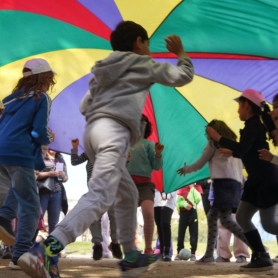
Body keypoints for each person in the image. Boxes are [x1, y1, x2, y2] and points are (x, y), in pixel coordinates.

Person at [18, 20, 194, 278]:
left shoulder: (103, 71)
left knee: (126, 192)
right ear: (138, 42)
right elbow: (182, 76)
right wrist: (181, 54)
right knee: (100, 196)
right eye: (147, 43)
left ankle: (131, 255)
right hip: (113, 133)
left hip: (93, 133)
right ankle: (46, 250)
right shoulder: (142, 64)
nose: (148, 48)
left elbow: (83, 105)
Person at [206, 89, 278, 271]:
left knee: (269, 224)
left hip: (267, 180)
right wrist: (233, 151)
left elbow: (243, 148)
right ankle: (261, 256)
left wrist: (218, 137)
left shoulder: (254, 125)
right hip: (256, 180)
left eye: (239, 105)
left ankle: (261, 256)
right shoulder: (253, 126)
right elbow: (245, 151)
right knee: (242, 217)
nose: (237, 110)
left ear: (247, 105)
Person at [0, 58, 55, 269]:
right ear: (44, 78)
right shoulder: (42, 98)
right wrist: (47, 138)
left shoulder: (12, 99)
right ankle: (20, 255)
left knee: (18, 191)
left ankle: (4, 218)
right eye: (49, 79)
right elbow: (37, 131)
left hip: (2, 152)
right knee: (31, 208)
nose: (50, 84)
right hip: (19, 153)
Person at [177, 119, 250, 265]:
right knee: (214, 217)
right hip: (236, 186)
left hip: (222, 184)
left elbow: (200, 163)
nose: (206, 135)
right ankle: (209, 255)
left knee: (225, 220)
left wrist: (186, 169)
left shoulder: (213, 144)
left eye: (207, 132)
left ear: (213, 131)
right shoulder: (234, 146)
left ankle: (256, 245)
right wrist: (242, 183)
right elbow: (241, 167)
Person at [70, 138, 122, 260]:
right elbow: (75, 162)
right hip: (94, 188)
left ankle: (115, 243)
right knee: (94, 216)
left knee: (114, 214)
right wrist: (74, 147)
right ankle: (97, 245)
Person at [126, 114, 164, 255]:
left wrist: (158, 154)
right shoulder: (126, 144)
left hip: (145, 186)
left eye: (143, 123)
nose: (140, 125)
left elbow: (156, 166)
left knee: (148, 213)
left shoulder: (149, 145)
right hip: (128, 185)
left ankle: (148, 247)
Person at [208, 183, 250, 263]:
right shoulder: (219, 173)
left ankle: (241, 254)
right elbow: (214, 185)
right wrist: (212, 199)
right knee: (222, 230)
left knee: (240, 228)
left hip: (240, 202)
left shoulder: (243, 172)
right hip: (223, 202)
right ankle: (223, 255)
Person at [175, 183, 202, 261]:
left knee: (193, 232)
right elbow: (178, 201)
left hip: (193, 212)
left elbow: (197, 199)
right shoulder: (182, 187)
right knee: (181, 232)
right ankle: (179, 252)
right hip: (183, 212)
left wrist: (192, 188)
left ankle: (193, 252)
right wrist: (184, 204)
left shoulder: (197, 187)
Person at [153, 189, 176, 261]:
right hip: (156, 201)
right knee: (159, 225)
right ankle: (161, 251)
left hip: (168, 202)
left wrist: (168, 194)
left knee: (165, 223)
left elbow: (175, 184)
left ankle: (167, 251)